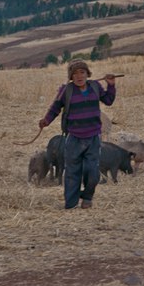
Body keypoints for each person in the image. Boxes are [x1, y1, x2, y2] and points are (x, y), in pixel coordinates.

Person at [39, 59, 116, 209]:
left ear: (88, 73)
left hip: (93, 137)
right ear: (70, 76)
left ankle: (87, 196)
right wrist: (46, 120)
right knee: (72, 172)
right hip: (74, 138)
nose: (79, 76)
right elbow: (56, 108)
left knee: (92, 171)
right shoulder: (66, 91)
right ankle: (71, 203)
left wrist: (111, 85)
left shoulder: (95, 86)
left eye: (82, 72)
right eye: (74, 73)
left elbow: (108, 100)